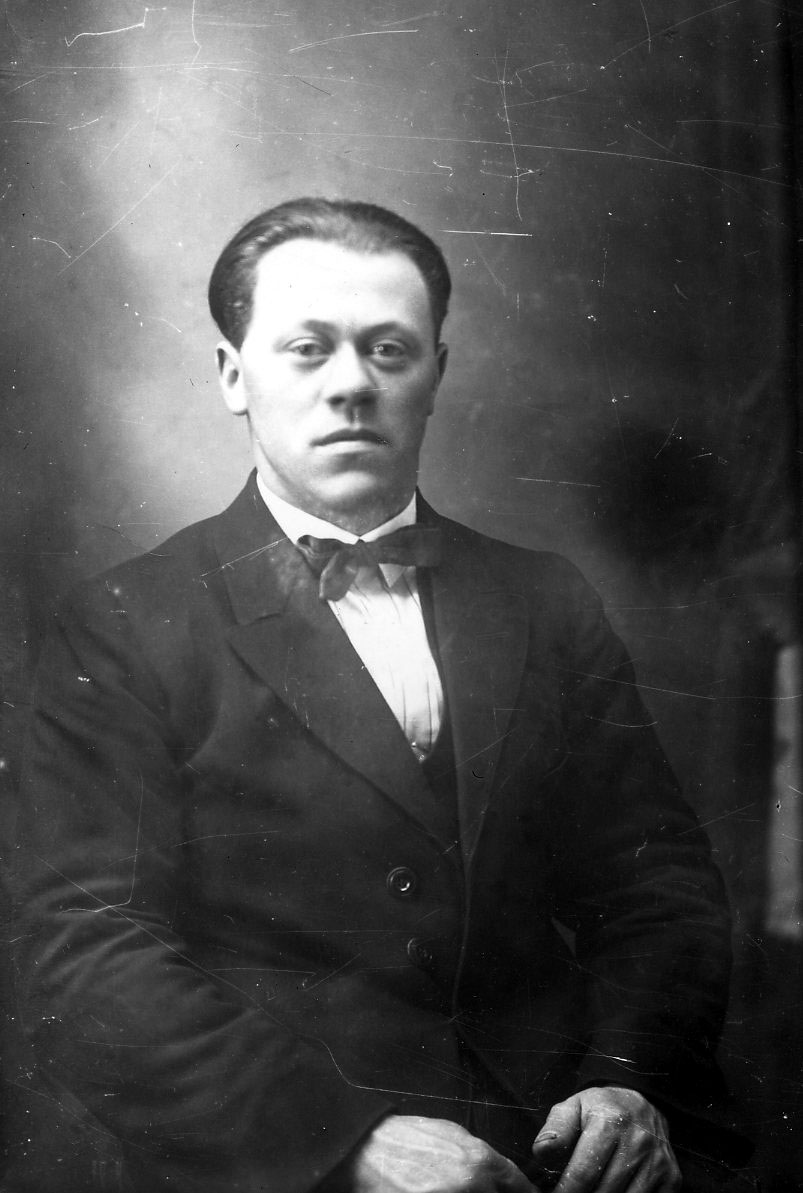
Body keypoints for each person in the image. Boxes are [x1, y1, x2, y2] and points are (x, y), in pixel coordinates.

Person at [9, 199, 744, 1193]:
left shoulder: (543, 599)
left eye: (388, 349)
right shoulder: (124, 621)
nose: (352, 383)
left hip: (550, 1156)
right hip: (280, 1164)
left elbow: (656, 889)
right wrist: (346, 1140)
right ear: (233, 375)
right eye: (308, 348)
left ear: (435, 372)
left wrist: (625, 1077)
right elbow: (86, 951)